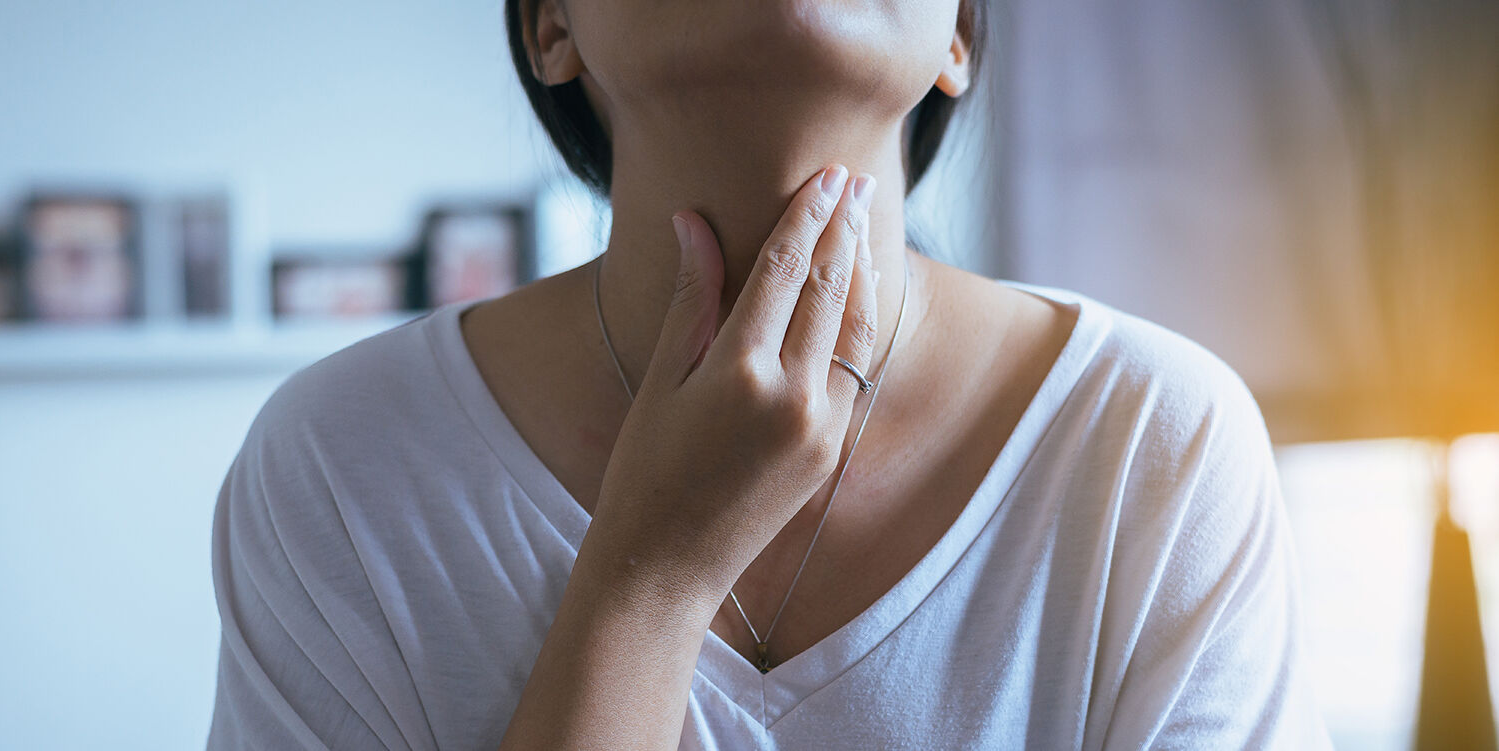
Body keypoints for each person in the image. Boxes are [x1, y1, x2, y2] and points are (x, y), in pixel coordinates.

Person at [207, 0, 1334, 748]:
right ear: (552, 25)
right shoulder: (345, 462)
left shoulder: (1155, 443)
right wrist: (650, 578)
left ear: (957, 35)